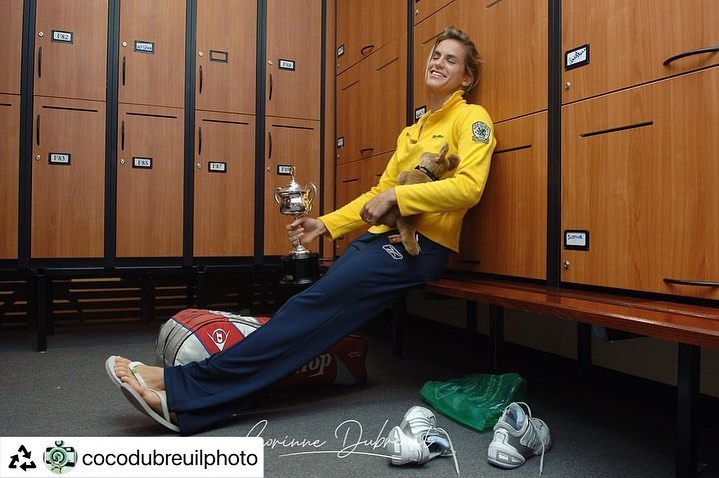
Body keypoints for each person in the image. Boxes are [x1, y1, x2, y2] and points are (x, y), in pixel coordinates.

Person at [107, 26, 496, 434]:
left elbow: (469, 188)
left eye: (451, 60)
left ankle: (180, 387)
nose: (438, 63)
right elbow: (377, 194)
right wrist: (323, 225)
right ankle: (194, 404)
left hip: (419, 248)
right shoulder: (412, 131)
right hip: (379, 239)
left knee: (309, 310)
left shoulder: (472, 118)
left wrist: (400, 200)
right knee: (302, 310)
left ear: (466, 78)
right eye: (436, 55)